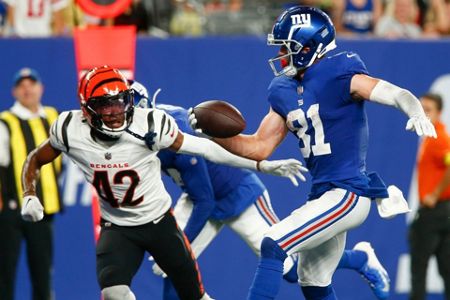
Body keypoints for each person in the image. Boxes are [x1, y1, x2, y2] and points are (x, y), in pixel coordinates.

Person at [189, 6, 436, 300]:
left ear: (309, 46)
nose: (281, 55)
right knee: (312, 280)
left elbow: (393, 93)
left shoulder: (340, 70)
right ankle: (360, 261)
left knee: (273, 242)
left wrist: (414, 109)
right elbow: (258, 147)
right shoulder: (282, 88)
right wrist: (214, 134)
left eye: (287, 47)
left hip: (348, 193)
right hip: (323, 193)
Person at [20, 66, 306, 300]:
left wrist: (260, 163)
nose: (115, 111)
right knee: (113, 293)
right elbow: (35, 158)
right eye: (105, 105)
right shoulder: (68, 129)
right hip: (117, 227)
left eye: (120, 101)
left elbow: (207, 149)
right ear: (87, 109)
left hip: (160, 223)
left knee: (196, 296)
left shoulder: (153, 124)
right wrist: (29, 193)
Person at [128, 82, 391, 300]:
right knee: (170, 267)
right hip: (198, 195)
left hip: (237, 195)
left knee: (290, 268)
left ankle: (359, 258)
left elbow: (205, 200)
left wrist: (181, 244)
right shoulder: (132, 134)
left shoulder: (170, 130)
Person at [0, 68, 62, 300]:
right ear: (14, 91)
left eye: (31, 83)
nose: (27, 89)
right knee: (5, 272)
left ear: (41, 88)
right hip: (10, 211)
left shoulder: (54, 117)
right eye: (22, 85)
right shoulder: (5, 122)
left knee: (42, 274)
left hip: (43, 210)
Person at [409, 93, 450, 300]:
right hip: (443, 212)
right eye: (421, 108)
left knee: (419, 270)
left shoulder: (438, 137)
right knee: (446, 269)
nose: (423, 113)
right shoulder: (431, 136)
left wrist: (434, 194)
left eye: (428, 109)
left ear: (439, 113)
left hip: (434, 212)